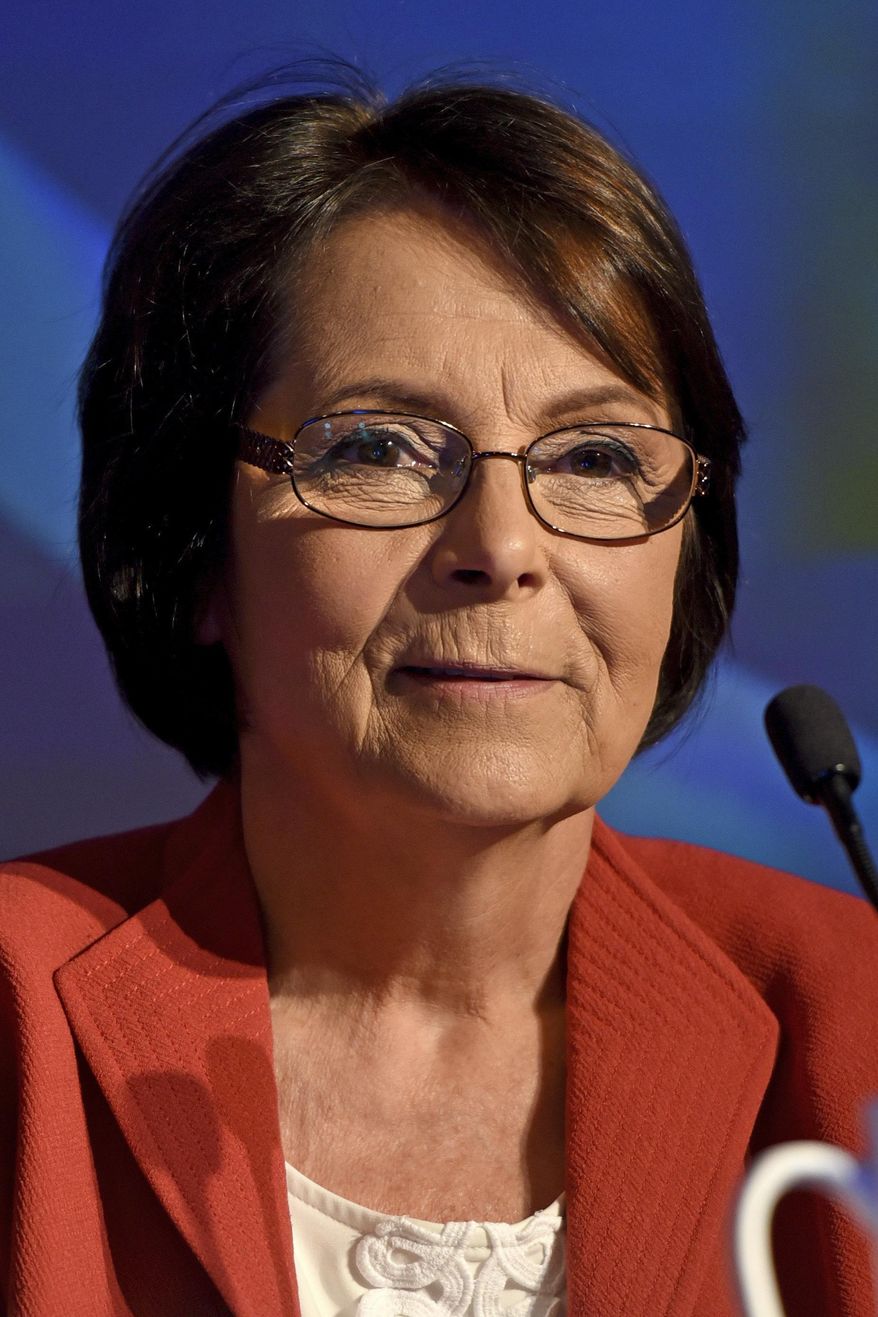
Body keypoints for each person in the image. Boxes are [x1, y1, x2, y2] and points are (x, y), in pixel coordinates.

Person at [1, 67, 876, 1317]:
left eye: (595, 457)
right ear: (192, 551)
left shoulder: (851, 1011)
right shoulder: (16, 1005)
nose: (504, 546)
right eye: (374, 449)